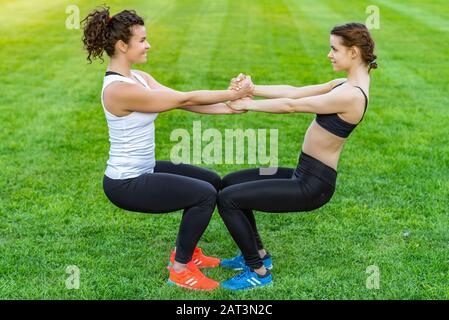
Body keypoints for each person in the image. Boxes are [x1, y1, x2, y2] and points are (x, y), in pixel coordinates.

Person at [82, 6, 252, 291]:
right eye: (142, 40)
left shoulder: (140, 78)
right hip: (125, 182)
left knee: (209, 180)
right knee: (204, 195)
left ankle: (188, 254)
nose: (149, 45)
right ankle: (180, 269)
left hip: (144, 169)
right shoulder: (118, 90)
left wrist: (230, 109)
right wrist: (234, 93)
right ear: (123, 46)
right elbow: (184, 98)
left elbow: (180, 99)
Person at [218, 22, 377, 290]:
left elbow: (293, 105)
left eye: (333, 49)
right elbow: (294, 91)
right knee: (231, 183)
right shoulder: (342, 84)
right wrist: (252, 89)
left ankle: (258, 272)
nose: (329, 54)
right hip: (302, 173)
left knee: (228, 199)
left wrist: (248, 104)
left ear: (353, 52)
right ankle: (259, 255)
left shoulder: (352, 95)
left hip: (313, 186)